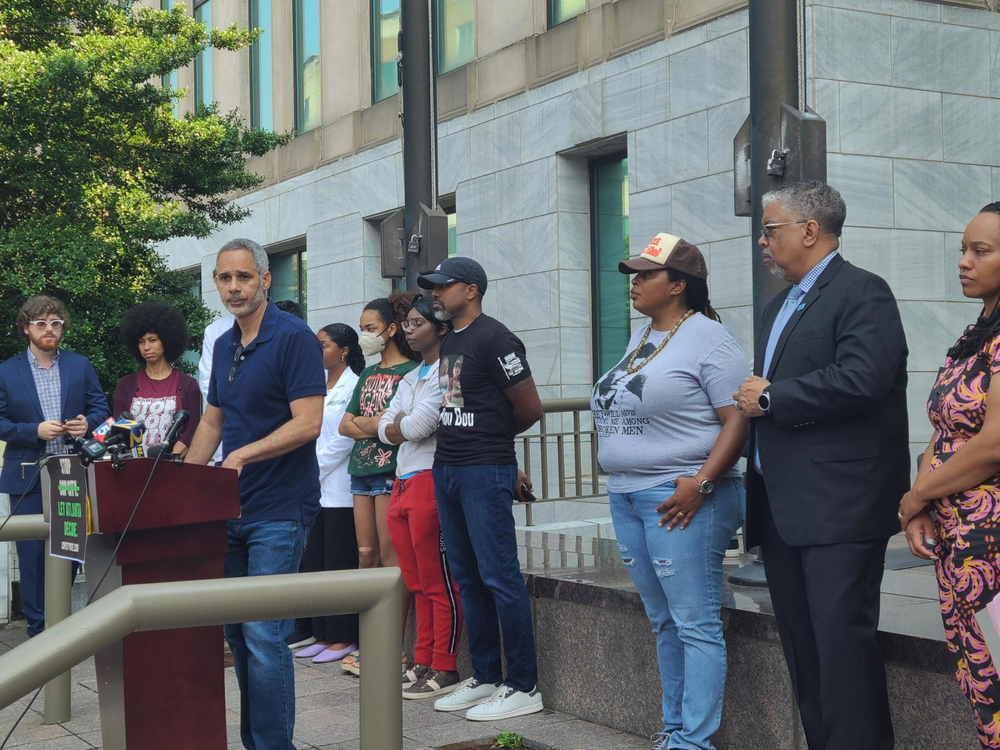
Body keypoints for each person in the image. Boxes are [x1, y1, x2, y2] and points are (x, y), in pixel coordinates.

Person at [734, 181, 908, 750]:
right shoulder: (776, 305)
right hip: (784, 508)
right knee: (805, 656)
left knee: (842, 656)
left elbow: (863, 378)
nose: (762, 240)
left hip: (842, 508)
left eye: (771, 229)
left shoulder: (863, 292)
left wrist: (773, 398)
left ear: (810, 231)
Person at [591, 234, 748, 750]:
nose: (633, 283)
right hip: (629, 494)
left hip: (681, 496)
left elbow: (738, 419)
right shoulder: (645, 335)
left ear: (678, 285)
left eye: (645, 274)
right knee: (664, 621)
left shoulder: (709, 339)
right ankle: (676, 730)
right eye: (633, 274)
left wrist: (701, 484)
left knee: (694, 621)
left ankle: (694, 742)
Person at [184, 238, 325, 750]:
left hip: (281, 508)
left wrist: (242, 456)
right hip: (229, 508)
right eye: (225, 278)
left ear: (266, 280)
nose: (235, 287)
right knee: (238, 635)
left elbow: (308, 424)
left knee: (265, 636)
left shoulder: (295, 338)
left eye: (244, 277)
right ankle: (256, 743)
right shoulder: (223, 344)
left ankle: (274, 746)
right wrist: (183, 478)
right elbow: (213, 421)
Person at [417, 257, 544, 721]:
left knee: (499, 577)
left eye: (442, 286)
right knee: (467, 577)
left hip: (483, 469)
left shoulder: (496, 337)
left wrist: (495, 447)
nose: (434, 293)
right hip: (447, 468)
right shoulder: (452, 339)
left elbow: (529, 408)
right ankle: (487, 675)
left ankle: (523, 685)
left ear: (470, 290)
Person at [898, 203, 1000, 750]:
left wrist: (917, 495)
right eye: (963, 248)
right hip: (960, 538)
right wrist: (923, 504)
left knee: (996, 671)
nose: (963, 261)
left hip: (992, 538)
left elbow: (991, 446)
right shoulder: (976, 335)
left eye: (980, 251)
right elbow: (944, 428)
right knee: (977, 672)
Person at [0, 295, 108, 636]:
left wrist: (86, 424)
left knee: (70, 549)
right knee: (31, 558)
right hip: (26, 476)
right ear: (26, 328)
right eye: (41, 323)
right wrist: (33, 431)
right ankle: (38, 629)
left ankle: (60, 625)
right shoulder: (6, 371)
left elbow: (100, 409)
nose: (50, 329)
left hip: (70, 473)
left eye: (56, 323)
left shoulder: (80, 365)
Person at [379, 295, 464, 700]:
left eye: (416, 323)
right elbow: (386, 424)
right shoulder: (412, 375)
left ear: (440, 327)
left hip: (431, 480)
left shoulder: (449, 372)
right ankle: (422, 658)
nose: (408, 329)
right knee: (415, 580)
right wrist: (396, 424)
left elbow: (417, 427)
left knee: (438, 581)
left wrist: (397, 425)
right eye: (406, 323)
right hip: (401, 481)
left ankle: (445, 665)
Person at [338, 292, 420, 676]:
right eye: (361, 329)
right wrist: (378, 428)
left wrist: (373, 427)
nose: (364, 336)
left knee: (392, 560)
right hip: (360, 474)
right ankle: (369, 641)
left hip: (391, 475)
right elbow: (345, 424)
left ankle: (392, 647)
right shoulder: (369, 374)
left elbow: (398, 427)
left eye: (369, 329)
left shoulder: (412, 372)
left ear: (390, 330)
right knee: (365, 556)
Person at [292, 323, 363, 664]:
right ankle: (322, 633)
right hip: (313, 488)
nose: (318, 351)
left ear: (344, 351)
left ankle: (342, 636)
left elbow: (343, 439)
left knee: (338, 562)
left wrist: (312, 469)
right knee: (316, 562)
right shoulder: (317, 385)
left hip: (338, 488)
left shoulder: (354, 384)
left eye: (324, 346)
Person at [113, 301, 201, 452]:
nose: (146, 347)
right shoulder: (125, 384)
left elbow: (192, 428)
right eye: (141, 341)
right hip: (133, 467)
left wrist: (171, 458)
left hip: (172, 467)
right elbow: (118, 428)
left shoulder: (188, 384)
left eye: (152, 340)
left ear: (166, 340)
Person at [198, 310, 234, 467]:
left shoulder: (291, 332)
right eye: (225, 282)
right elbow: (209, 384)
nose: (233, 287)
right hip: (225, 442)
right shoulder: (215, 331)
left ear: (266, 283)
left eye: (244, 282)